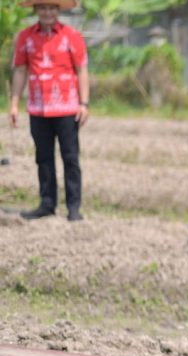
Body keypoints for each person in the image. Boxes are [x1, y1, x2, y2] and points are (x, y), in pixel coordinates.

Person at [9, 0, 89, 222]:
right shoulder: (25, 37)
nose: (48, 12)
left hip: (67, 109)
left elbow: (82, 69)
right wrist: (14, 102)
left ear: (59, 10)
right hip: (38, 109)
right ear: (36, 10)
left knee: (70, 158)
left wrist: (84, 103)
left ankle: (74, 207)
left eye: (52, 8)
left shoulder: (71, 36)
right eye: (43, 8)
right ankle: (47, 203)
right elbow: (20, 71)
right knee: (43, 158)